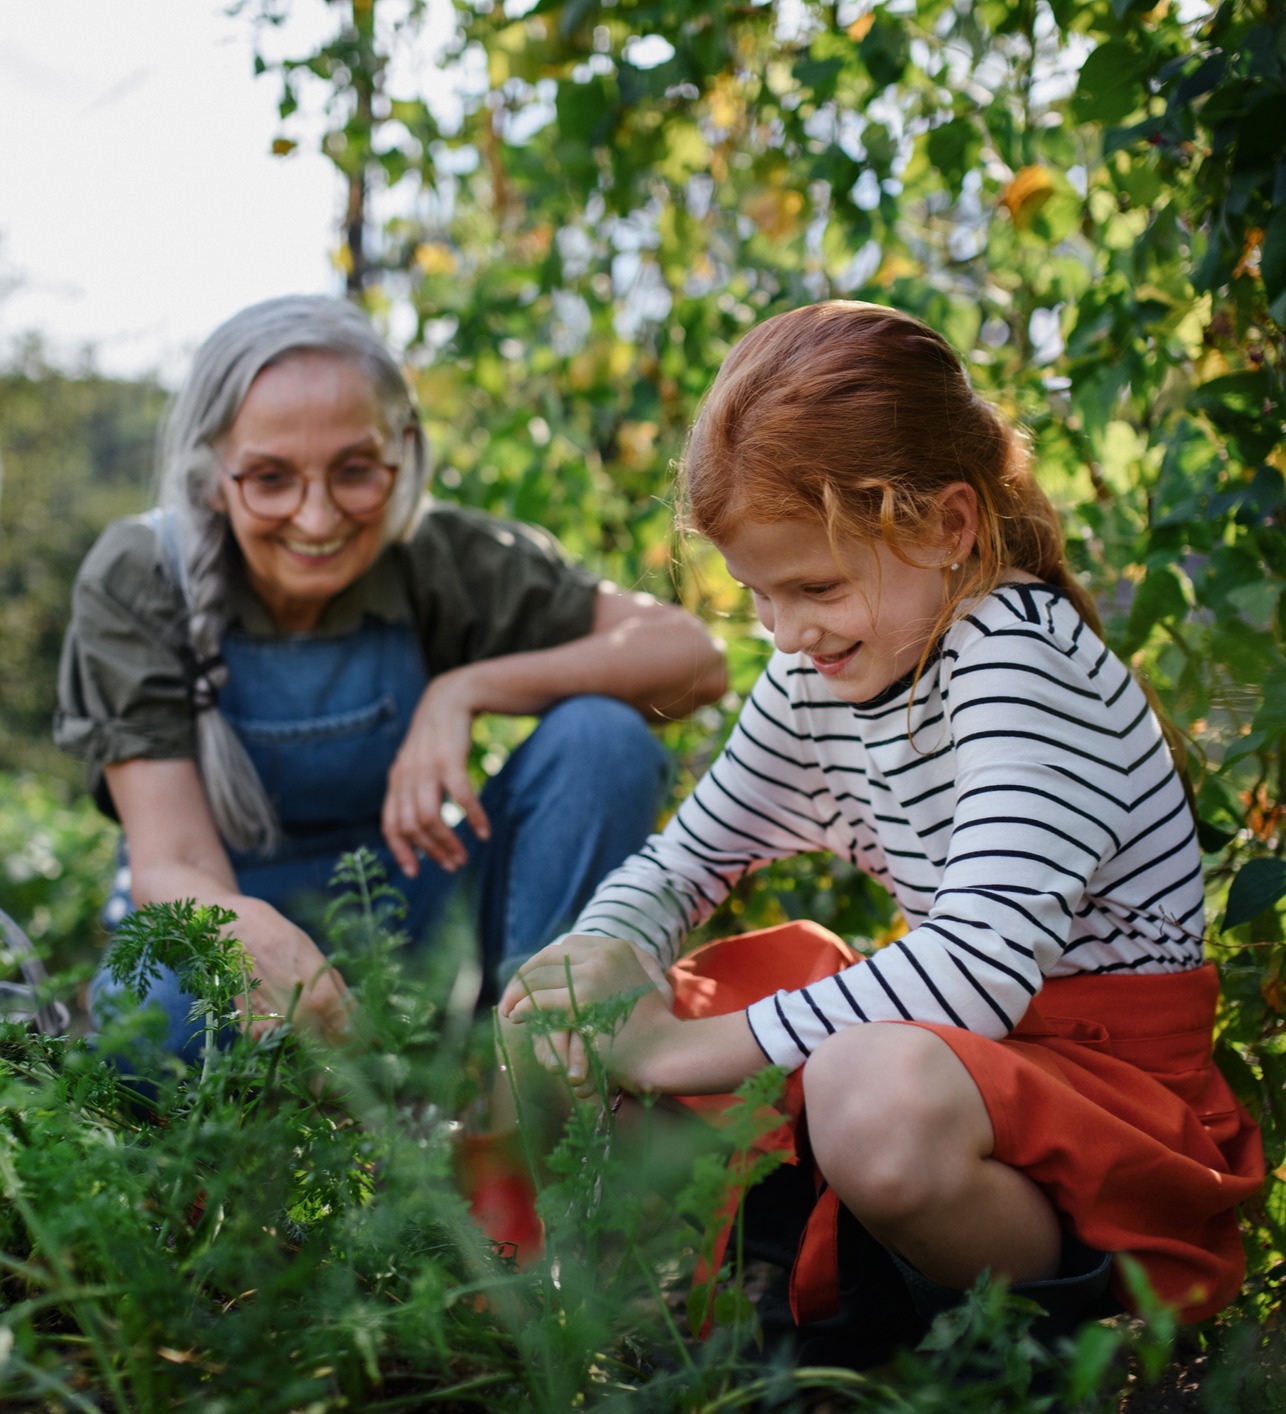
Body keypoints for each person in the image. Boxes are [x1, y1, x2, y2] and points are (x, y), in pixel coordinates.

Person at [501, 301, 1264, 1353]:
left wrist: (671, 1049)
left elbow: (975, 970)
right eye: (757, 597)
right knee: (559, 991)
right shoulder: (820, 668)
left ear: (947, 526)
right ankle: (633, 1304)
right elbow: (690, 858)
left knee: (869, 1090)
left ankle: (1036, 1331)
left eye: (812, 586)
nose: (786, 631)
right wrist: (607, 955)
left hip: (1098, 1094)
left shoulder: (1015, 654)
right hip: (961, 1055)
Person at [55, 294, 727, 1064]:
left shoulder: (438, 557)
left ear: (402, 452)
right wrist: (257, 940)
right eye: (271, 479)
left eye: (355, 472)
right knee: (163, 1023)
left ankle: (531, 1066)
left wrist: (464, 691)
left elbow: (691, 658)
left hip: (416, 916)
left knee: (602, 737)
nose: (317, 520)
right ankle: (321, 1102)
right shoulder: (141, 574)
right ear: (212, 474)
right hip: (218, 918)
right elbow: (172, 862)